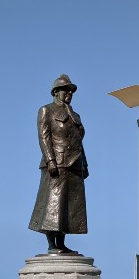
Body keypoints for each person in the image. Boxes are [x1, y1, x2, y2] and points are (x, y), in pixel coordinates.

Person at [29, 74, 88, 254]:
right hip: (57, 163)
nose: (69, 93)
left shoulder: (75, 115)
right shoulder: (46, 110)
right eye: (65, 90)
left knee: (69, 206)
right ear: (56, 92)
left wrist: (84, 164)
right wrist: (50, 160)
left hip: (75, 163)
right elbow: (44, 137)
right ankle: (51, 244)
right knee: (52, 204)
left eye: (71, 91)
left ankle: (61, 243)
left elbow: (79, 141)